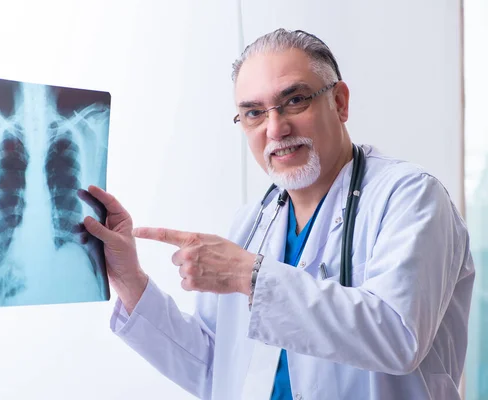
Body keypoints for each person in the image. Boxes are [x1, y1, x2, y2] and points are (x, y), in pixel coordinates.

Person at [78, 29, 475, 400]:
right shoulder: (255, 221)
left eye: (295, 100)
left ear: (340, 102)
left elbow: (397, 338)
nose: (275, 128)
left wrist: (248, 275)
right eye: (253, 113)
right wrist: (129, 280)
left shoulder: (410, 197)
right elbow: (214, 367)